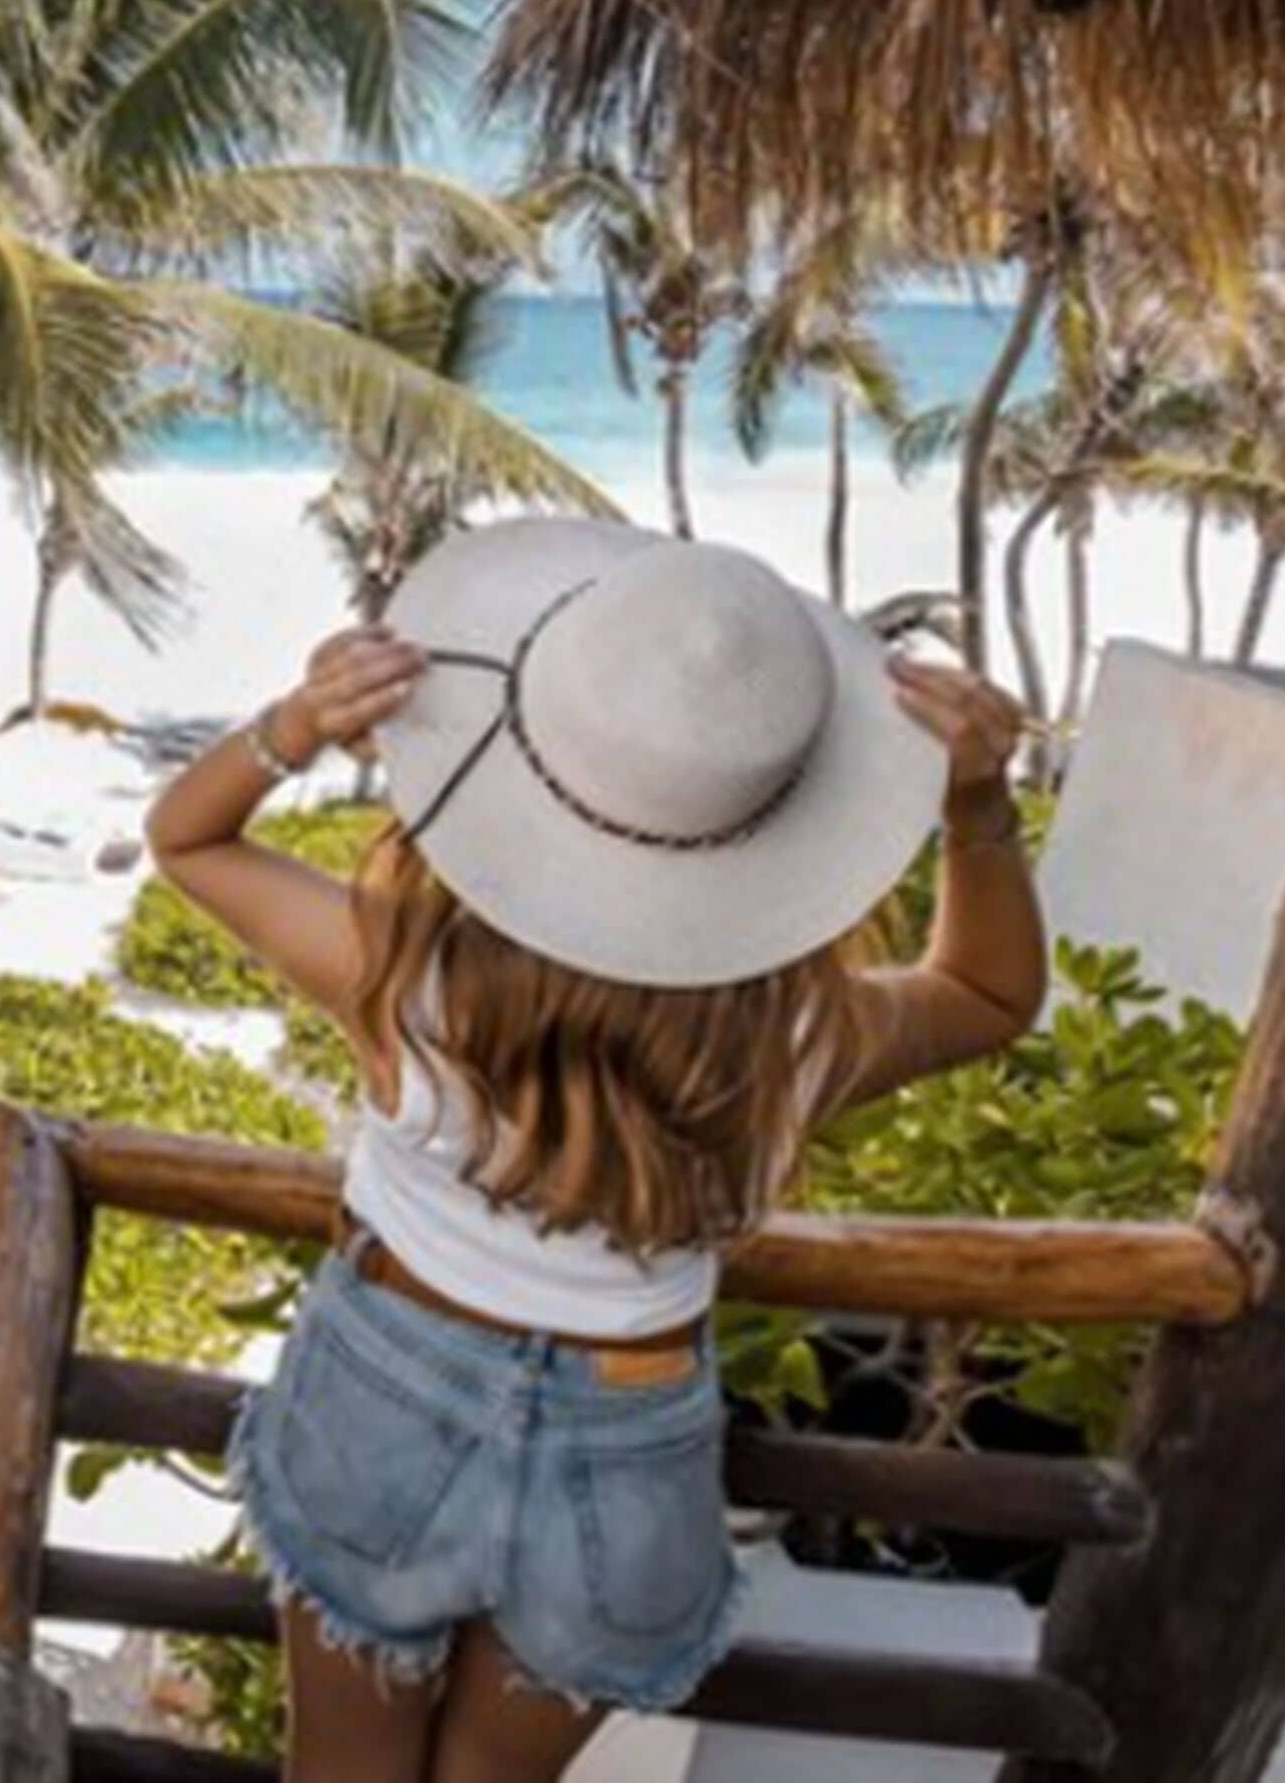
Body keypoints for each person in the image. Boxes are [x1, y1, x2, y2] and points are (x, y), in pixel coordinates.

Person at [144, 522, 1043, 1783]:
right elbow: (991, 993)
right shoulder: (797, 1036)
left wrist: (293, 725)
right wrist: (976, 806)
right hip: (632, 1452)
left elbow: (188, 839)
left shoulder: (411, 978)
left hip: (385, 1394)